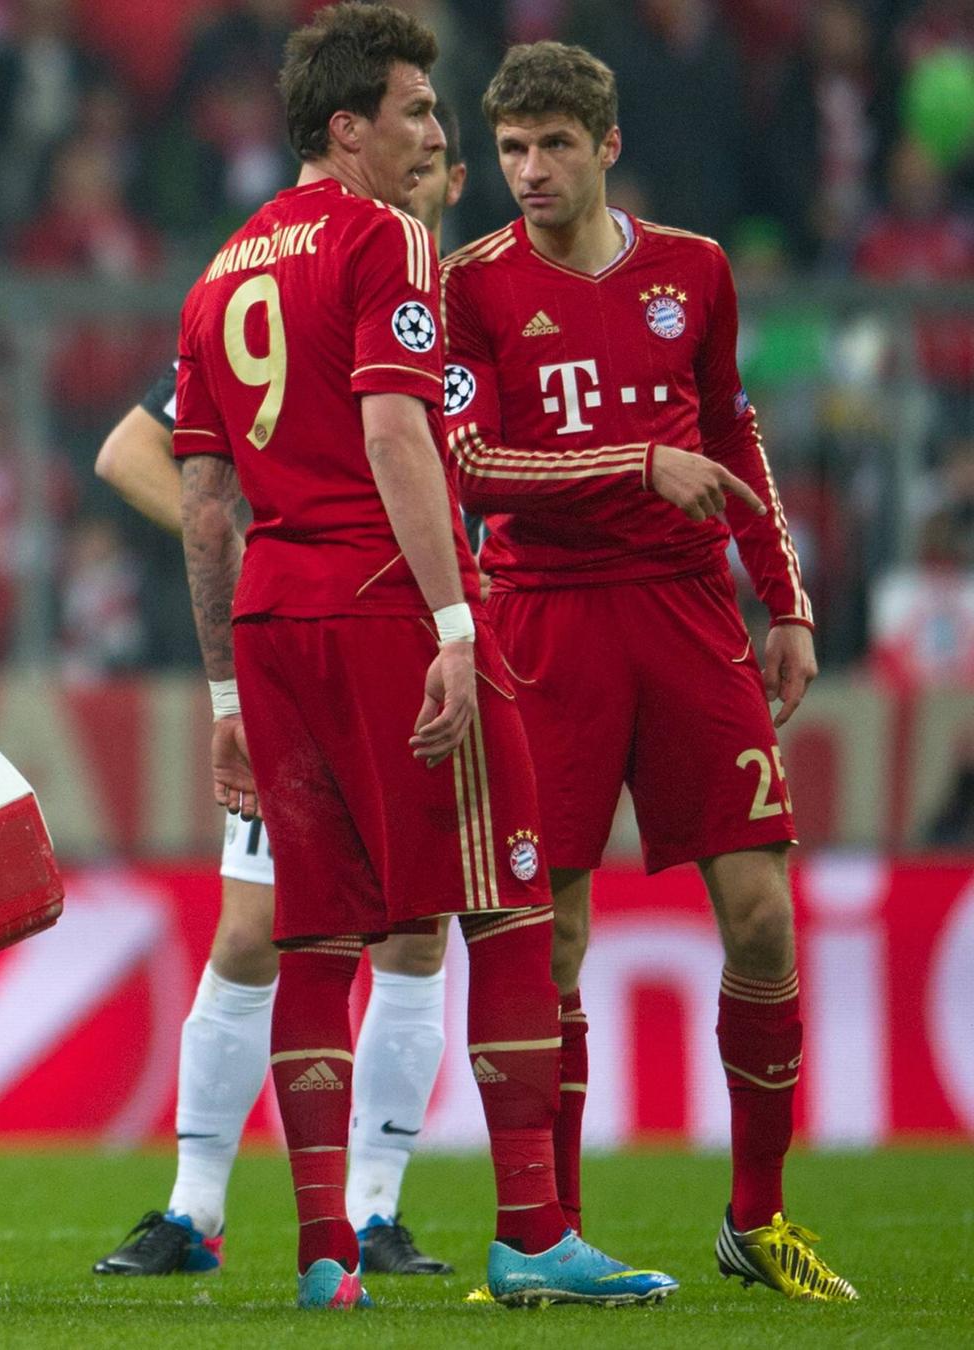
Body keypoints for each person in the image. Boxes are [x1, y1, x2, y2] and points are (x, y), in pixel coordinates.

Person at [168, 5, 674, 1309]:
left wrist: (224, 686)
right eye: (418, 113)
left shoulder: (219, 268)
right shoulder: (385, 236)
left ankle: (327, 1251)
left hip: (276, 620)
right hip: (387, 598)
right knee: (508, 899)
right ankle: (533, 1232)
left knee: (318, 932)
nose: (440, 138)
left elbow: (208, 507)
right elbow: (402, 436)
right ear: (349, 128)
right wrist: (457, 621)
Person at [442, 41, 853, 1301]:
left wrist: (783, 601)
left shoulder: (695, 273)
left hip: (685, 616)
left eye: (554, 145)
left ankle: (758, 1217)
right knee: (549, 934)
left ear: (606, 145)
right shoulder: (470, 287)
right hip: (545, 621)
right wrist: (633, 461)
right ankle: (550, 1234)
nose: (529, 171)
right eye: (511, 150)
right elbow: (467, 467)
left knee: (765, 914)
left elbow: (731, 427)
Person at [86, 97, 471, 1284]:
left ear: (452, 183)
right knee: (259, 928)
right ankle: (195, 1206)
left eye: (441, 152)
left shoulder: (465, 307)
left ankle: (373, 1209)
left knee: (415, 928)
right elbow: (129, 449)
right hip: (319, 631)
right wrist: (264, 552)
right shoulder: (311, 292)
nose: (426, 162)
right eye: (415, 131)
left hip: (410, 633)